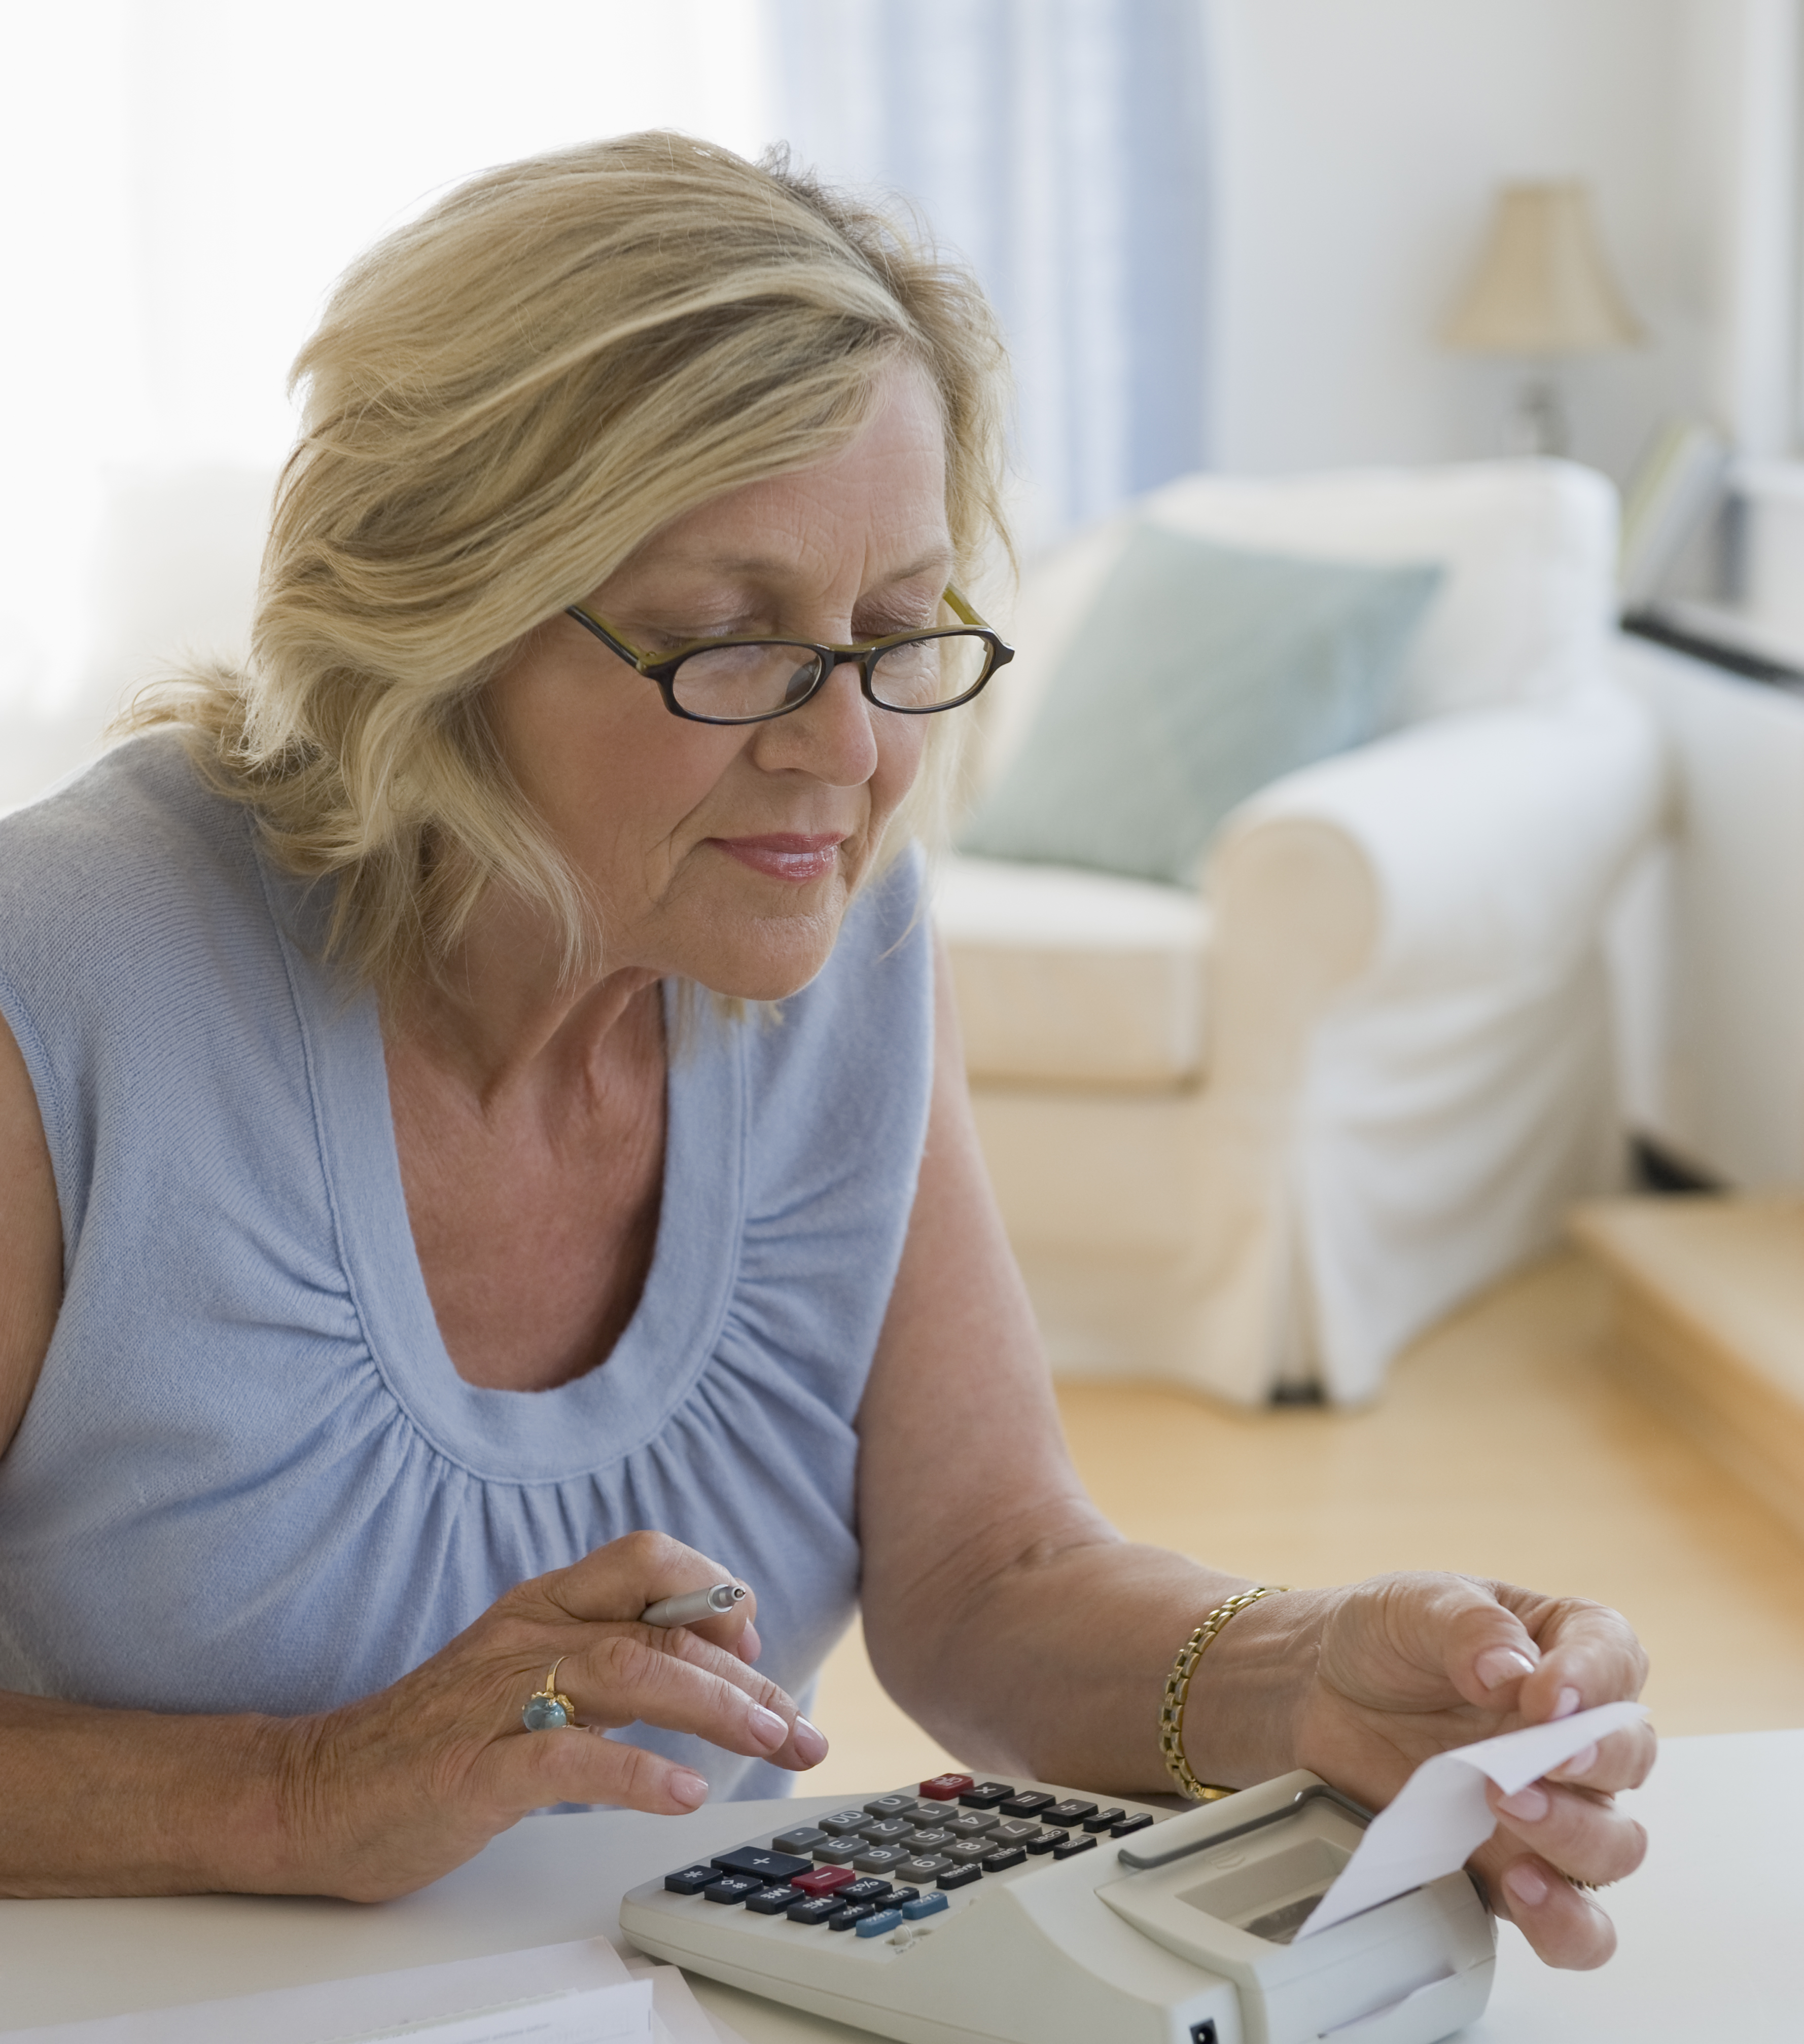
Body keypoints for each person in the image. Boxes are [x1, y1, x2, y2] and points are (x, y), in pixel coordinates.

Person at [0, 135, 1651, 1950]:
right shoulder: (71, 977)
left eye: (893, 633)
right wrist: (308, 1787)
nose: (852, 754)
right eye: (730, 641)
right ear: (436, 619)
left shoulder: (829, 931)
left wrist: (1306, 1672)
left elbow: (990, 1574)